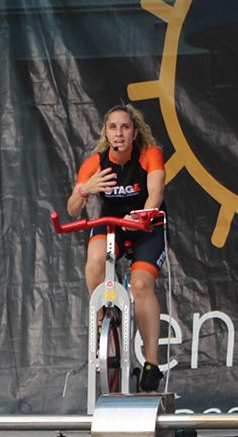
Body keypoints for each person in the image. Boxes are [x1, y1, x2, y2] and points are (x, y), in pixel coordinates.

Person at [66, 103, 167, 392]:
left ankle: (151, 363)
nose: (119, 133)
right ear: (106, 133)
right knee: (95, 260)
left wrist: (142, 215)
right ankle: (101, 319)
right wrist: (85, 189)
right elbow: (72, 208)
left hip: (146, 224)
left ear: (134, 133)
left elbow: (156, 192)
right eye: (113, 128)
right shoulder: (95, 163)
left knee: (141, 284)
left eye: (125, 127)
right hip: (113, 224)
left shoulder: (149, 154)